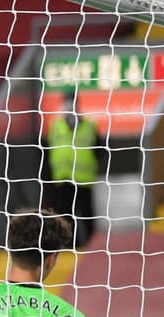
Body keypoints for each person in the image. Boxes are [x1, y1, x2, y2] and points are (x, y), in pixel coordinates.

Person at [44, 88, 99, 248]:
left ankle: (90, 245)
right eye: (67, 100)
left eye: (72, 101)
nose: (70, 105)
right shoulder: (55, 126)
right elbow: (48, 150)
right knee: (64, 215)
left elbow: (100, 150)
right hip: (62, 178)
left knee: (86, 214)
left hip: (83, 178)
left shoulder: (89, 126)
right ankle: (68, 245)